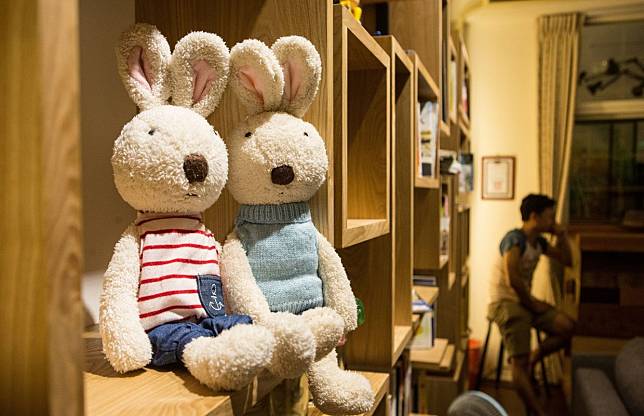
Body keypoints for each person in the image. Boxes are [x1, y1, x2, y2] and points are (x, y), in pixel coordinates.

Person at [487, 194, 575, 416]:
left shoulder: (539, 243)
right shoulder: (514, 239)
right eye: (549, 217)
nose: (553, 221)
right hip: (505, 302)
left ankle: (535, 358)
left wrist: (562, 235)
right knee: (520, 362)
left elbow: (567, 260)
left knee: (567, 328)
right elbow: (513, 278)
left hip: (525, 302)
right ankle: (538, 412)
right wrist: (533, 304)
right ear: (534, 217)